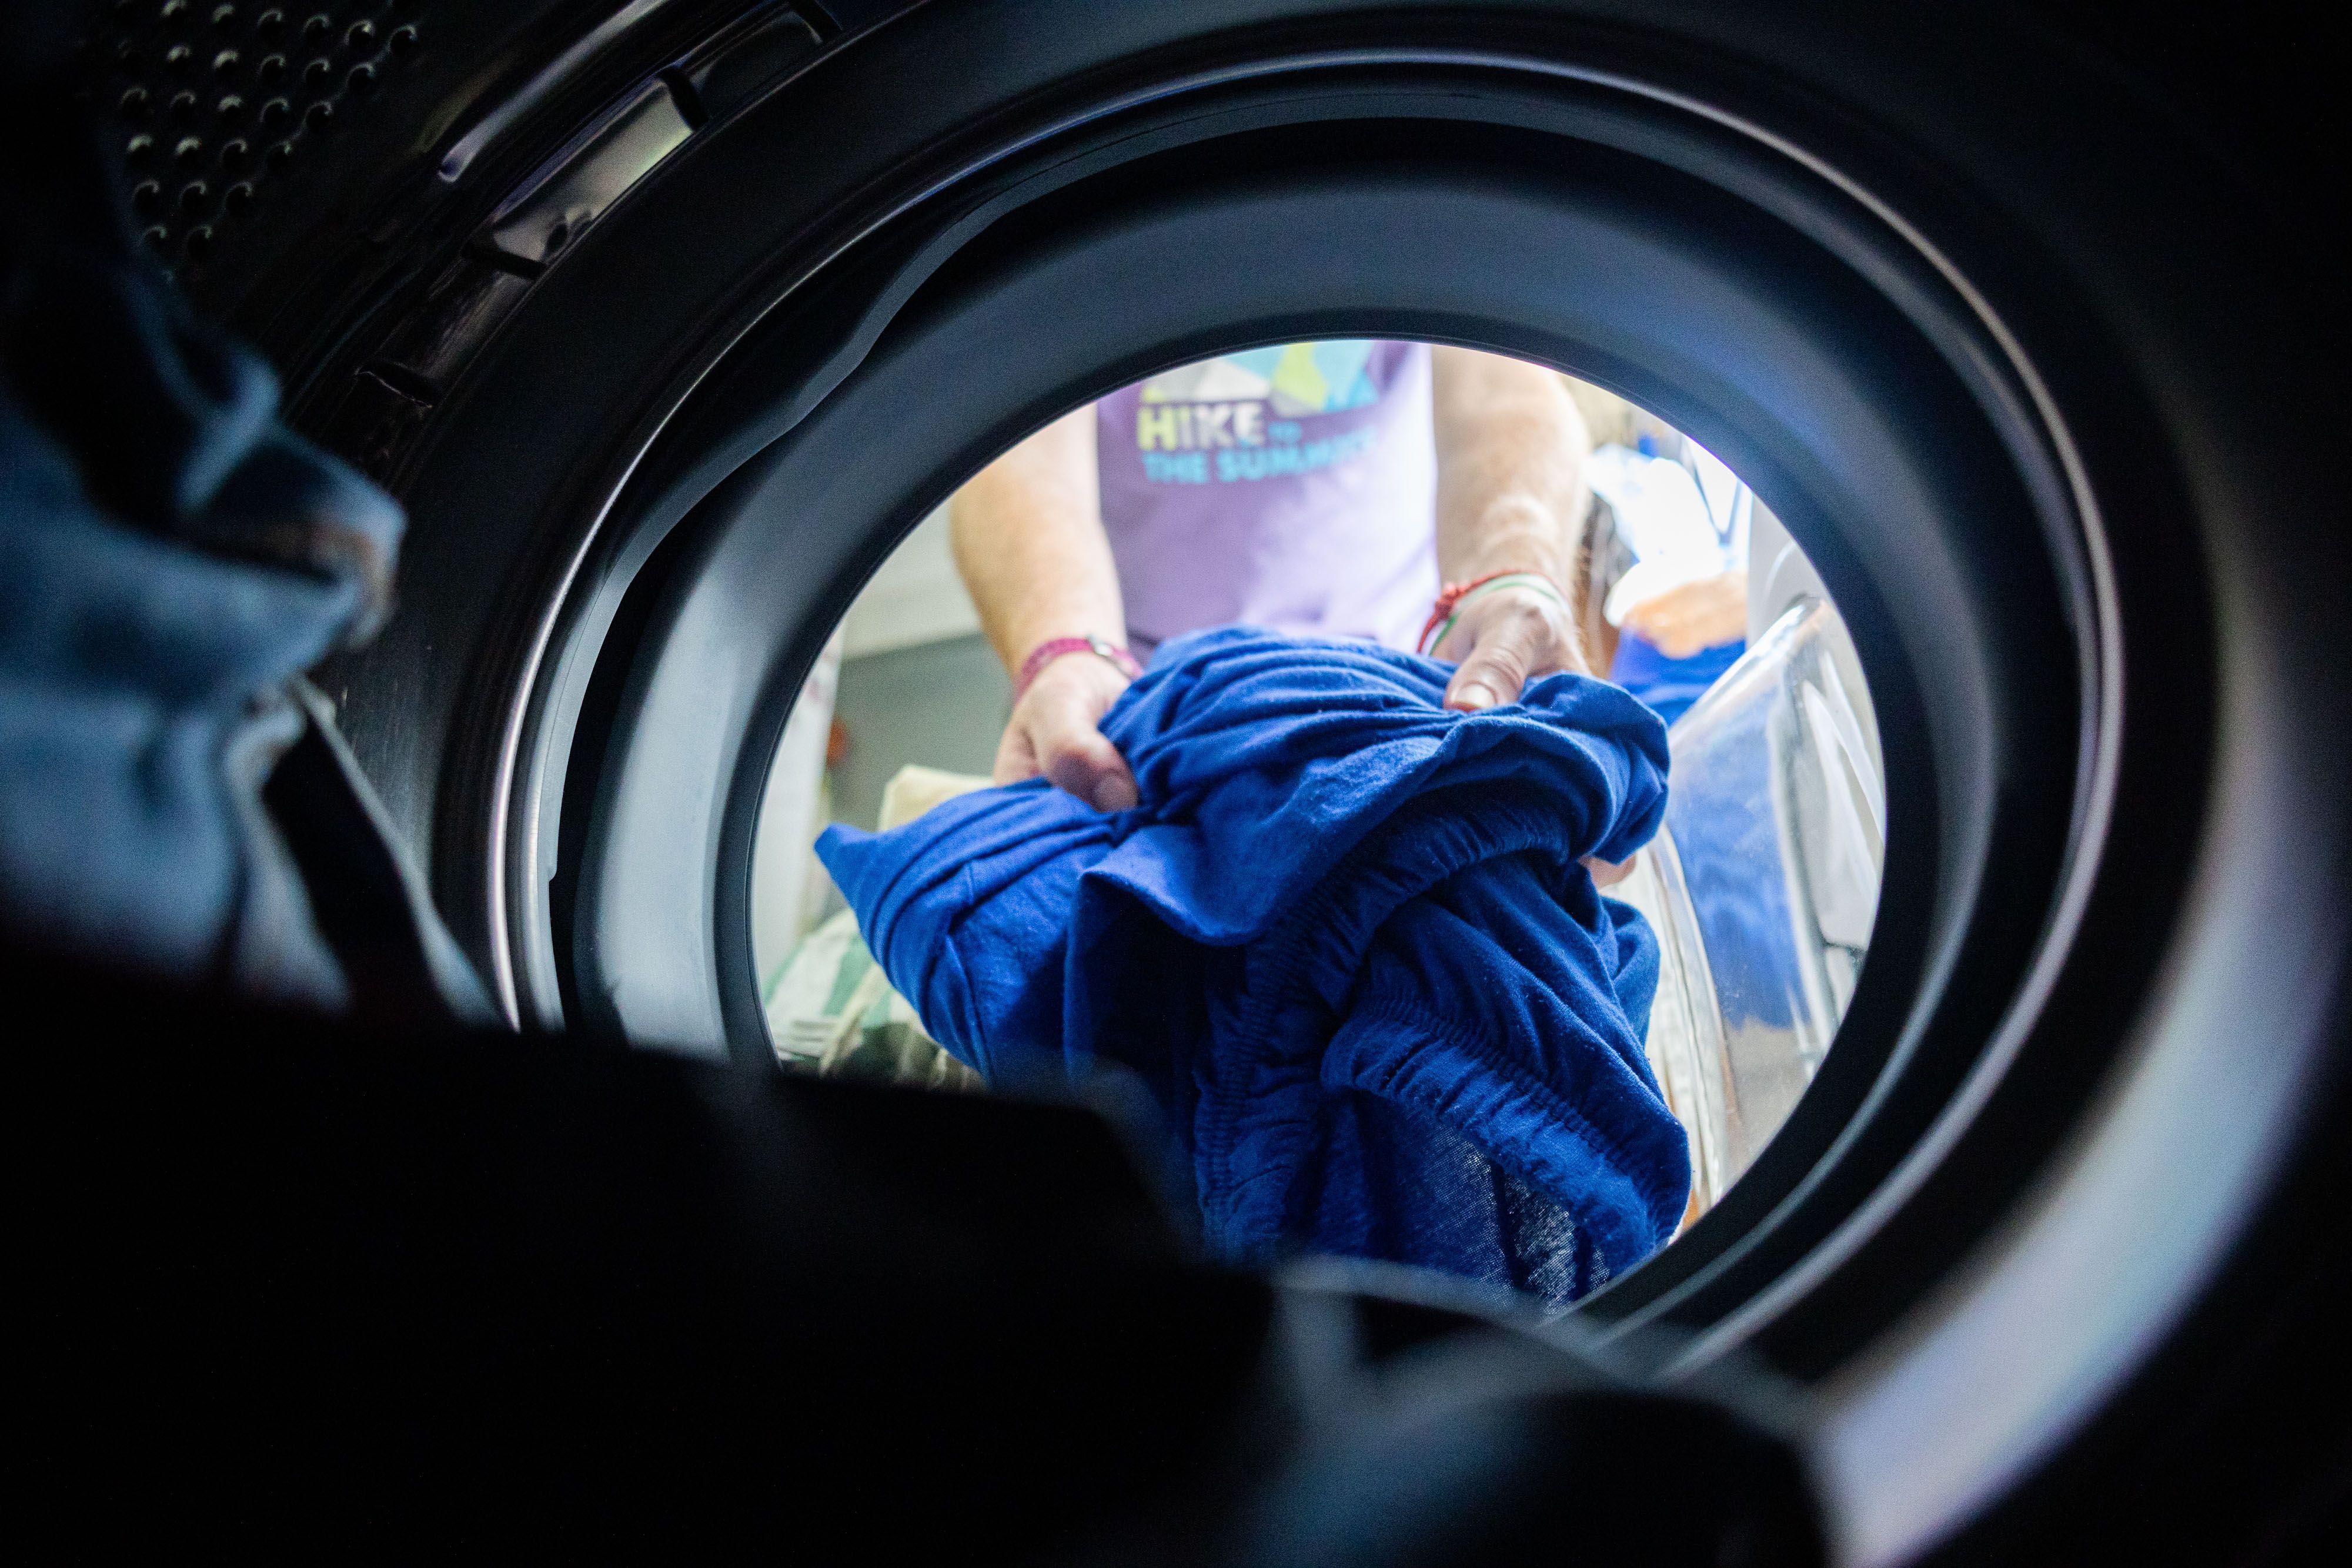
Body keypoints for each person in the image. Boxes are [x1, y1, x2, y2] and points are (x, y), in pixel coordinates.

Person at [951, 341, 1596, 813]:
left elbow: (1501, 384)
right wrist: (1064, 652)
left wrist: (1513, 576)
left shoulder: (1419, 165)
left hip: (1415, 695)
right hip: (1131, 721)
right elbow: (1019, 439)